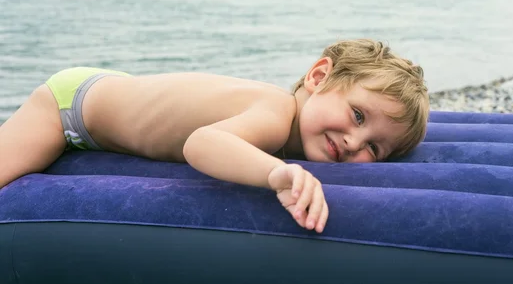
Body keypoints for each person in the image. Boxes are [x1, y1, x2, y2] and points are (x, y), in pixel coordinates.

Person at [0, 39, 429, 233]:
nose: (355, 142)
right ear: (318, 77)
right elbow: (201, 143)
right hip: (70, 105)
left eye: (375, 146)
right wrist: (277, 175)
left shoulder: (284, 118)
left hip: (118, 93)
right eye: (357, 114)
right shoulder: (276, 113)